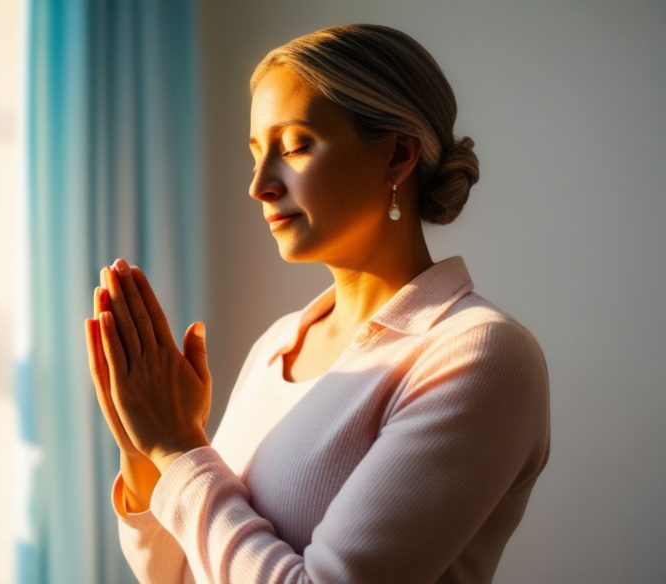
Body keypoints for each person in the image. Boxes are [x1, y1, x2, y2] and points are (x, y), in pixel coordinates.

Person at [83, 23, 550, 584]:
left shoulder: (480, 353)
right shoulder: (279, 343)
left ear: (398, 155)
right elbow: (180, 573)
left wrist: (179, 447)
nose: (259, 185)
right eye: (256, 153)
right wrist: (146, 451)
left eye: (296, 145)